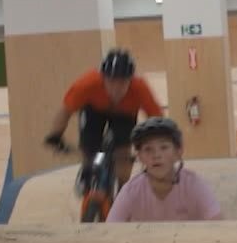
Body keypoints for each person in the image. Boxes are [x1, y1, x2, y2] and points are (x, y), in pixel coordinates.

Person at [44, 49, 164, 188]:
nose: (116, 88)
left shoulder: (140, 88)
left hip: (125, 115)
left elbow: (158, 121)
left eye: (122, 83)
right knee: (89, 145)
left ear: (131, 80)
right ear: (102, 78)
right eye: (111, 81)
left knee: (123, 152)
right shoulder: (86, 84)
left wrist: (157, 146)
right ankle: (88, 168)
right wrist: (55, 135)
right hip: (94, 111)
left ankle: (123, 191)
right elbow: (65, 111)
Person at [107, 117, 223, 223]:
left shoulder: (194, 185)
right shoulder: (131, 191)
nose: (156, 155)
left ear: (178, 152)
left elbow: (219, 225)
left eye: (164, 147)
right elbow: (111, 230)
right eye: (148, 149)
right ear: (140, 157)